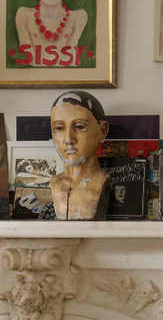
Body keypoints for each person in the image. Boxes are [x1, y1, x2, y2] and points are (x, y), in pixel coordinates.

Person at [43, 89, 112, 221]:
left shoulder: (102, 181)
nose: (69, 139)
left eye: (80, 126)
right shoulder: (54, 183)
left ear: (102, 130)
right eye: (59, 128)